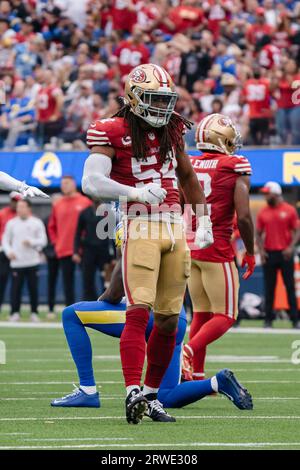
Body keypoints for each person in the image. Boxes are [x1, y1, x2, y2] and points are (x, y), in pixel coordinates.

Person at [82, 63, 213, 424]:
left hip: (176, 229)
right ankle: (131, 391)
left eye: (165, 100)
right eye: (153, 99)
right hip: (140, 225)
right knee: (138, 311)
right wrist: (135, 191)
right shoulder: (112, 130)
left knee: (169, 321)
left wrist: (203, 220)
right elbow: (91, 182)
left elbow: (186, 175)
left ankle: (152, 395)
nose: (161, 108)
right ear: (135, 97)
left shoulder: (171, 129)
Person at [51, 259, 253, 414]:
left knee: (71, 315)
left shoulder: (140, 223)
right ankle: (217, 382)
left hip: (147, 312)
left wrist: (106, 298)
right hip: (176, 315)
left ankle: (87, 390)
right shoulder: (171, 227)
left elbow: (122, 273)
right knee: (165, 395)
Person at [182, 113, 255, 382]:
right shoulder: (234, 164)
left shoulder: (190, 163)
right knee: (226, 315)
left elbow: (180, 203)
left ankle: (195, 375)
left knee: (201, 312)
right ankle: (186, 352)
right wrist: (250, 250)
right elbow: (244, 215)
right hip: (216, 246)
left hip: (190, 246)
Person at [256, 181, 300, 328]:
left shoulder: (289, 210)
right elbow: (258, 232)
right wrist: (261, 251)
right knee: (269, 288)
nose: (265, 196)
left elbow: (297, 230)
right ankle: (268, 320)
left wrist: (291, 247)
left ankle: (295, 319)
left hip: (285, 254)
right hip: (269, 253)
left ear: (276, 193)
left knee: (290, 287)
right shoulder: (263, 212)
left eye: (267, 193)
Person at [48, 176, 92, 306]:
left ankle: (89, 310)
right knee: (67, 283)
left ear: (73, 184)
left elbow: (91, 225)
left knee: (87, 281)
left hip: (83, 249)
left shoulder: (85, 202)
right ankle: (70, 311)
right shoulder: (58, 204)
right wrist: (56, 243)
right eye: (62, 184)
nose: (64, 186)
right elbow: (51, 226)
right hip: (64, 249)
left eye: (66, 183)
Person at [2, 199, 47, 322]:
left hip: (32, 262)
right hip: (17, 262)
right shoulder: (11, 223)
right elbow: (5, 240)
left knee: (33, 288)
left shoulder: (36, 222)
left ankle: (34, 312)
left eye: (22, 207)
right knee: (15, 289)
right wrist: (9, 251)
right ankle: (14, 312)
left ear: (29, 208)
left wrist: (31, 242)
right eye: (18, 207)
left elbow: (43, 241)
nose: (19, 209)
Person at [73, 201, 115, 300]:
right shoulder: (84, 213)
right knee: (87, 279)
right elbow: (78, 233)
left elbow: (112, 235)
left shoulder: (108, 213)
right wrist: (76, 252)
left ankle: (105, 301)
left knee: (106, 279)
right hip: (88, 250)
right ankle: (89, 302)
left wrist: (114, 256)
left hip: (104, 251)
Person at [0, 192, 22, 312]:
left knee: (16, 283)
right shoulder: (2, 214)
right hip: (4, 252)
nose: (15, 203)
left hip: (19, 254)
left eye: (17, 200)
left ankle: (14, 311)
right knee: (1, 281)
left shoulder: (23, 215)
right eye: (13, 200)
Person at [43, 193, 62, 319]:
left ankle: (70, 306)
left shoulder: (67, 217)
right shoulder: (46, 219)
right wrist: (46, 252)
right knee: (51, 282)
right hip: (52, 254)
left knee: (68, 281)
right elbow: (44, 238)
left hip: (66, 253)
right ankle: (50, 308)